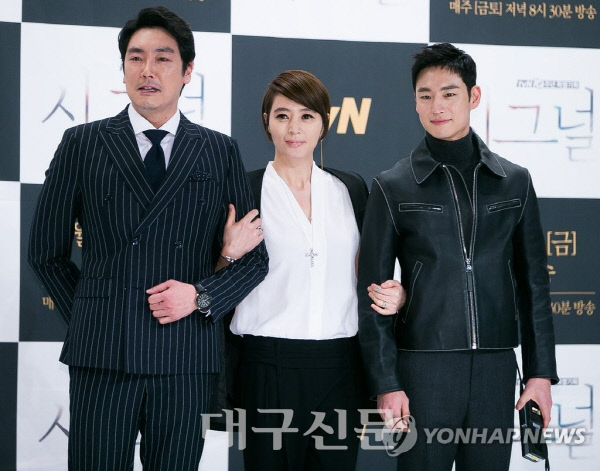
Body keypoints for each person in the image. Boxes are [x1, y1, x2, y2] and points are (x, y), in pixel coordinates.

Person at [28, 6, 268, 470]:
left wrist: (199, 297)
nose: (147, 70)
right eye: (135, 58)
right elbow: (45, 253)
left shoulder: (219, 150)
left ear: (187, 71)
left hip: (185, 355)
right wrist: (93, 314)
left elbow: (256, 261)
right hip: (102, 355)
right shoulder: (82, 143)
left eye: (162, 58)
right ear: (123, 69)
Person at [357, 43, 558, 470]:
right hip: (422, 368)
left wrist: (540, 374)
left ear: (473, 96)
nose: (437, 106)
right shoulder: (392, 186)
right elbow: (371, 295)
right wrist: (386, 382)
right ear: (415, 102)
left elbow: (534, 287)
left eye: (449, 93)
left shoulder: (515, 182)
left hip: (496, 367)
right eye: (425, 95)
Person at [225, 70, 405, 471]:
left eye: (306, 116)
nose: (294, 128)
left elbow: (373, 272)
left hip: (340, 367)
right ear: (267, 122)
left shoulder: (351, 190)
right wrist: (227, 255)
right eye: (282, 115)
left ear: (324, 123)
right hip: (265, 365)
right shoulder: (243, 190)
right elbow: (214, 278)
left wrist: (398, 294)